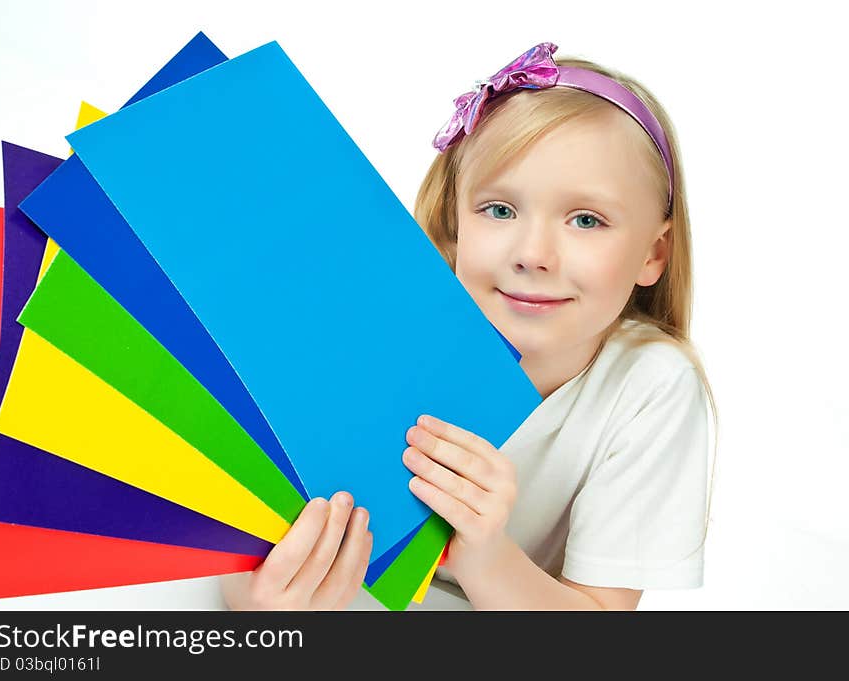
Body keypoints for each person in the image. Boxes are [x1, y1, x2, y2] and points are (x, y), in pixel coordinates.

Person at [221, 41, 718, 611]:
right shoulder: (379, 327)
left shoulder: (651, 386)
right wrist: (259, 604)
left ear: (654, 254)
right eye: (500, 210)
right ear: (454, 222)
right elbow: (247, 533)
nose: (533, 254)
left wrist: (484, 554)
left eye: (586, 220)